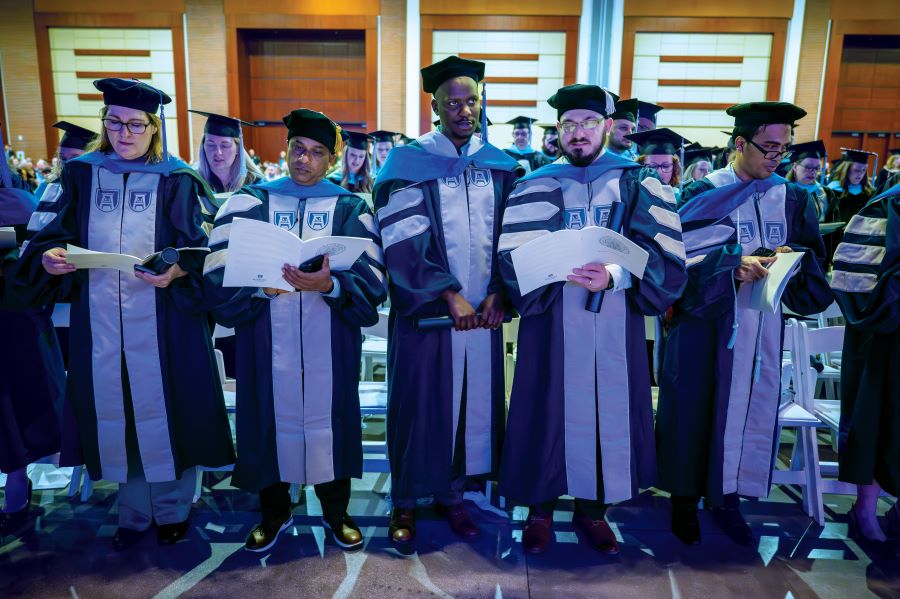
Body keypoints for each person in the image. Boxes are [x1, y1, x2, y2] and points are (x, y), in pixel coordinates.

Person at [7, 78, 235, 551]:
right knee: (120, 409)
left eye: (135, 125)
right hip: (101, 321)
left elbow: (208, 248)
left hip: (166, 320)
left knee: (168, 407)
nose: (124, 134)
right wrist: (50, 258)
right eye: (115, 123)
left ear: (154, 128)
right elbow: (43, 236)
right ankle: (131, 513)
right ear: (104, 124)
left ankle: (172, 508)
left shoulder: (178, 179)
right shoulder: (80, 175)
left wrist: (178, 269)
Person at [497, 83, 687, 555]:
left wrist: (616, 274)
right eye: (568, 125)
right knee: (546, 405)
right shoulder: (534, 182)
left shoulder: (637, 181)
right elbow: (509, 256)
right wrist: (547, 269)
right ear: (558, 131)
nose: (577, 133)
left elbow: (666, 258)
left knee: (607, 411)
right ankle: (540, 508)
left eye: (587, 123)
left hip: (614, 321)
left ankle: (593, 511)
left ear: (606, 127)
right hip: (551, 321)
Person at [204, 108, 387, 552]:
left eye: (317, 152)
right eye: (297, 149)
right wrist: (260, 290)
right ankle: (275, 512)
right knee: (266, 419)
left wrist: (332, 284)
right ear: (286, 150)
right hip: (266, 340)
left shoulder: (350, 207)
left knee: (332, 419)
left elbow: (374, 278)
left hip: (330, 342)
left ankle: (335, 511)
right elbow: (216, 268)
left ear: (332, 159)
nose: (304, 159)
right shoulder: (249, 201)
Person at [656, 101, 833, 547]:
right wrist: (731, 264)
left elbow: (812, 259)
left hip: (761, 326)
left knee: (748, 407)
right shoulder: (703, 191)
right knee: (694, 408)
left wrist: (789, 261)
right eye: (769, 148)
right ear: (740, 143)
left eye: (783, 150)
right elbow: (675, 261)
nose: (777, 158)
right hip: (705, 324)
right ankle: (683, 502)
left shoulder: (793, 197)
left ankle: (728, 498)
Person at [373, 55, 522, 545]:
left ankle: (455, 494)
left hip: (485, 315)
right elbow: (402, 236)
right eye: (452, 103)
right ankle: (406, 501)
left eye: (471, 101)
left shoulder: (500, 166)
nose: (464, 111)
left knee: (470, 404)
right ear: (434, 106)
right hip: (429, 316)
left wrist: (501, 290)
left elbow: (514, 235)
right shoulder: (409, 163)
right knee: (419, 406)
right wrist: (448, 293)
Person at [0, 152, 66, 537]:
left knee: (12, 412)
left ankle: (17, 487)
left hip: (15, 325)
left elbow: (39, 261)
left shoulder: (23, 203)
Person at [830, 180, 899, 544]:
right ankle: (864, 511)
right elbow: (852, 281)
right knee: (877, 422)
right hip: (885, 341)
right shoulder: (886, 206)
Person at [189, 110, 262, 200]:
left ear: (238, 149)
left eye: (225, 145)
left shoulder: (255, 184)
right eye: (211, 145)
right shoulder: (192, 182)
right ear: (203, 147)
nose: (218, 152)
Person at [785, 140, 833, 222]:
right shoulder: (783, 190)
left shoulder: (825, 193)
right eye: (808, 167)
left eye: (817, 168)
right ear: (795, 166)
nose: (813, 172)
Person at [626, 127, 688, 192]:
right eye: (652, 166)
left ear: (674, 169)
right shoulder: (629, 197)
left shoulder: (679, 199)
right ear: (640, 167)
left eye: (666, 166)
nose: (659, 172)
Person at [826, 150, 874, 223]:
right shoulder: (833, 189)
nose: (860, 174)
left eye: (864, 170)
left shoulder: (870, 192)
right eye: (856, 170)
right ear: (846, 170)